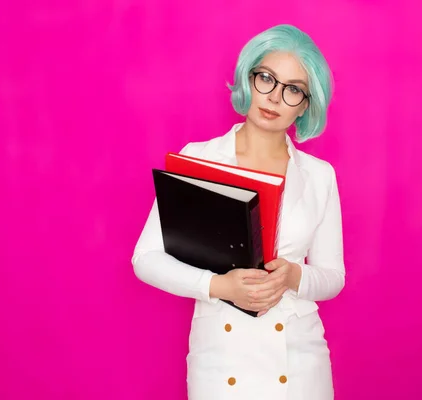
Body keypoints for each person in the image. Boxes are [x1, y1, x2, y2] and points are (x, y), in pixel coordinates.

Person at [131, 23, 345, 400]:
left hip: (300, 364)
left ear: (306, 105)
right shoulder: (199, 158)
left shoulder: (319, 176)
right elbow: (145, 259)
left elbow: (333, 277)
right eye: (267, 78)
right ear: (249, 78)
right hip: (221, 362)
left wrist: (293, 276)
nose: (275, 97)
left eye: (293, 89)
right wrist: (219, 286)